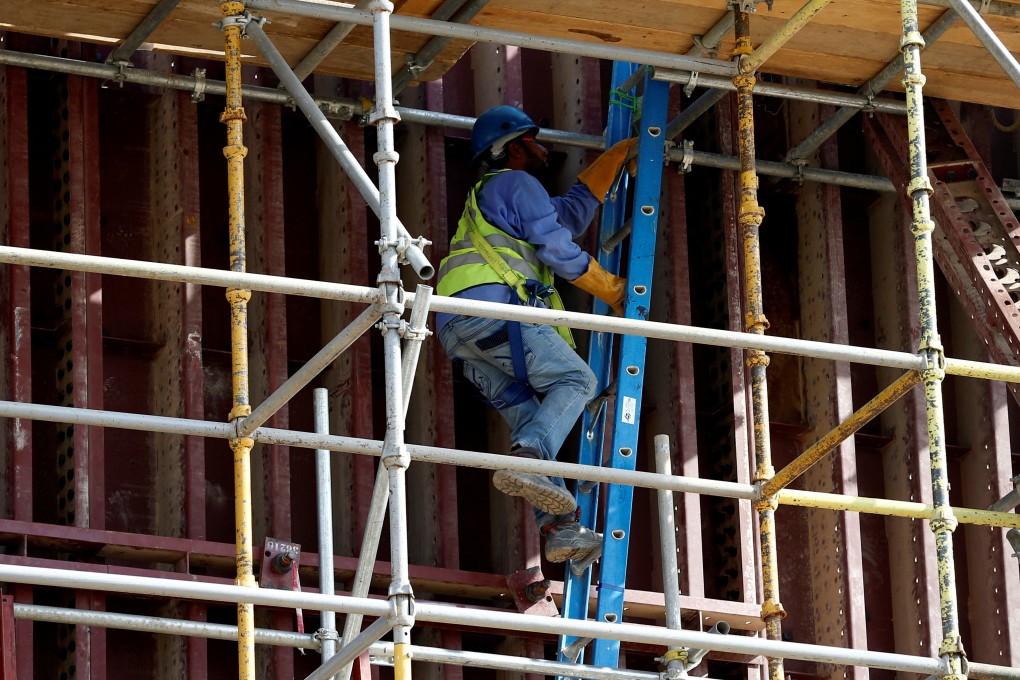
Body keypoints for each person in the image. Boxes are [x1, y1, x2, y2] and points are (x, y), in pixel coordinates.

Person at [436, 105, 635, 565]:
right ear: (515, 147)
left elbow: (562, 218)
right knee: (577, 383)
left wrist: (605, 172)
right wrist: (611, 289)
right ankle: (528, 460)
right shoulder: (516, 182)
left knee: (531, 423)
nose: (543, 147)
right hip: (493, 314)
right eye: (534, 139)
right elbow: (558, 247)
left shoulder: (499, 194)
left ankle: (560, 529)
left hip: (459, 332)